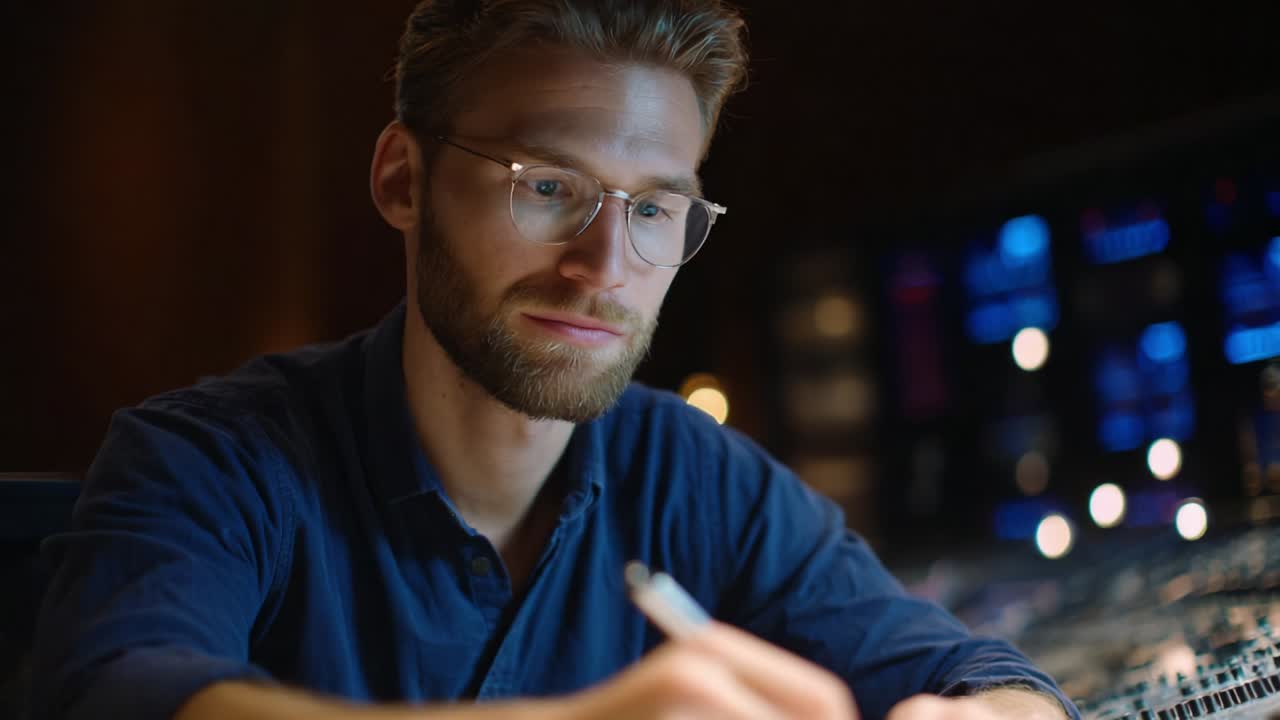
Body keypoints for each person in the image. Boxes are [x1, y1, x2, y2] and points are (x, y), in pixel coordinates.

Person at [29, 1, 1079, 719]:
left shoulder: (695, 476)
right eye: (544, 186)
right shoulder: (207, 462)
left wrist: (997, 706)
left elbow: (975, 670)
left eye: (655, 208)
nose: (602, 266)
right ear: (402, 181)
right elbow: (124, 695)